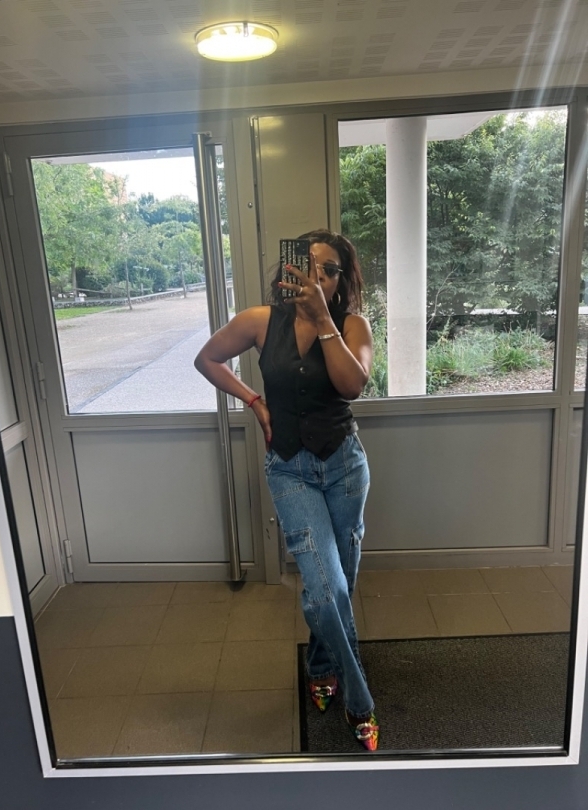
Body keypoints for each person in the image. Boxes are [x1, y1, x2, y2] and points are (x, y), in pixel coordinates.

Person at [194, 228, 378, 751]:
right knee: (326, 587)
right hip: (290, 469)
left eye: (329, 270)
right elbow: (206, 359)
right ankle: (359, 698)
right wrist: (254, 401)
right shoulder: (259, 321)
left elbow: (352, 386)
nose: (317, 276)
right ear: (287, 269)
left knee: (341, 581)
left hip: (344, 469)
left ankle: (320, 665)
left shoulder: (352, 325)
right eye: (307, 265)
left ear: (342, 280)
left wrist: (323, 321)